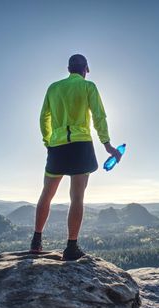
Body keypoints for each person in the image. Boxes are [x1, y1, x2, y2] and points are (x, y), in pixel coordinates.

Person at [29, 54, 122, 261]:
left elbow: (44, 116)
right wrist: (107, 145)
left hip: (57, 145)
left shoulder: (53, 88)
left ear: (68, 68)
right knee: (77, 197)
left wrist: (48, 141)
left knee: (47, 193)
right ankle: (71, 247)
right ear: (85, 69)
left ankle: (36, 242)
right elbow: (99, 116)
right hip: (80, 144)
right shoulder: (88, 87)